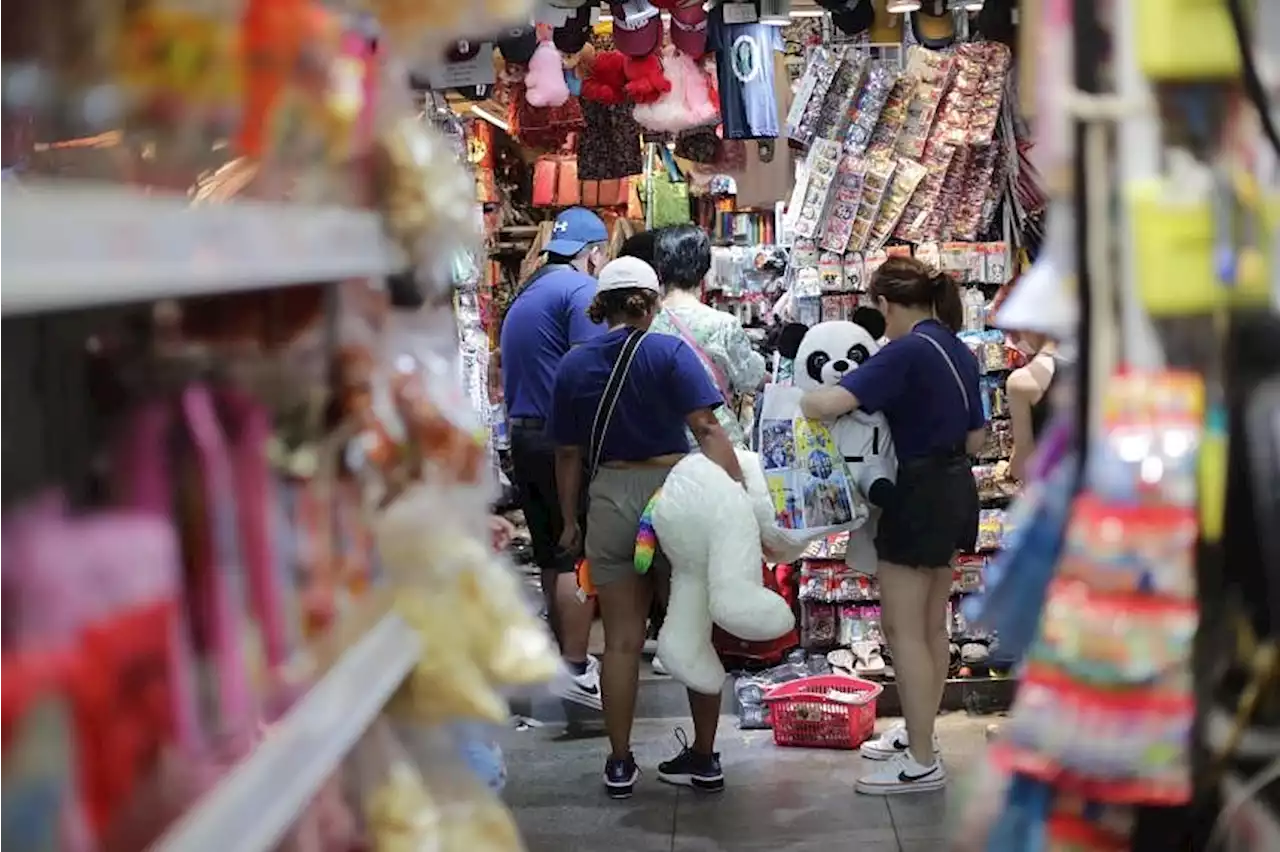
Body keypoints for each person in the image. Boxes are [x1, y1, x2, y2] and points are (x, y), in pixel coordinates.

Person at [548, 256, 745, 800]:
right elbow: (705, 426)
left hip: (611, 495)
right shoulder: (668, 351)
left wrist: (569, 520)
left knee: (620, 641)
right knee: (691, 630)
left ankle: (618, 762)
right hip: (676, 496)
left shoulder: (574, 364)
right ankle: (704, 758)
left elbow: (567, 454)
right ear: (653, 301)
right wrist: (736, 495)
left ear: (599, 306)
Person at [799, 256, 984, 796]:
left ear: (885, 304)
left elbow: (827, 401)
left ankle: (924, 759)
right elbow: (976, 441)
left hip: (915, 495)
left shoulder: (904, 352)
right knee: (931, 627)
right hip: (955, 492)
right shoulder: (958, 349)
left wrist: (799, 397)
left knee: (903, 633)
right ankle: (920, 735)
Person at [497, 207, 609, 711]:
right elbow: (589, 370)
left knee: (549, 553)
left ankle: (563, 663)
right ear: (594, 253)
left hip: (525, 435)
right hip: (560, 439)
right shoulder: (579, 290)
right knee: (575, 550)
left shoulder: (528, 292)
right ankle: (578, 666)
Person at [649, 224, 766, 449]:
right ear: (704, 267)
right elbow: (750, 377)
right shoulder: (723, 325)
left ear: (660, 268)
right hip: (717, 446)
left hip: (663, 446)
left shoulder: (647, 324)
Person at [1006, 331, 1061, 483]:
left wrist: (1009, 470)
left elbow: (1024, 462)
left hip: (1046, 488)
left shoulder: (1021, 381)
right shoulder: (1089, 367)